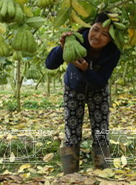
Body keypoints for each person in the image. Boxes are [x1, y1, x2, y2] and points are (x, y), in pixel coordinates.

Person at [46, 12, 121, 174]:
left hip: (98, 90)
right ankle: (70, 175)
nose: (97, 36)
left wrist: (86, 70)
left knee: (101, 130)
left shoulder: (113, 52)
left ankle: (102, 172)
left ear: (111, 38)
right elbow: (50, 64)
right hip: (73, 88)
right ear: (90, 27)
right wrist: (61, 47)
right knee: (72, 130)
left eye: (105, 34)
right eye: (95, 30)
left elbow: (101, 81)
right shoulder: (77, 38)